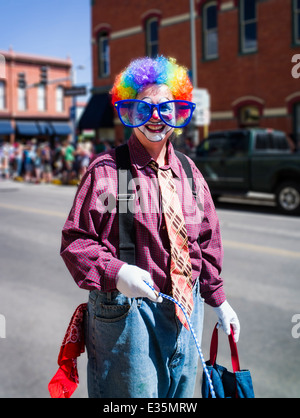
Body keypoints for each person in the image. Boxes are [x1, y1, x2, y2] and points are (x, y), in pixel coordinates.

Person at [60, 56, 240, 398]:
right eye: (143, 109)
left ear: (180, 113)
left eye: (167, 109)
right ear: (128, 112)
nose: (155, 119)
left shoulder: (190, 172)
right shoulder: (107, 171)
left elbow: (205, 240)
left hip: (188, 314)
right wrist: (116, 271)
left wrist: (218, 300)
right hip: (127, 318)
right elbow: (75, 241)